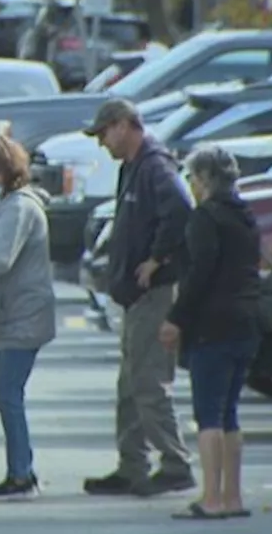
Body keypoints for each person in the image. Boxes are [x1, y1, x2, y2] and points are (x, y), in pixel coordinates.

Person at [82, 99, 196, 497]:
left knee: (149, 382)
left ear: (125, 126)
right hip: (136, 298)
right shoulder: (133, 167)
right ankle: (132, 465)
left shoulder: (155, 166)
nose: (102, 143)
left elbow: (182, 211)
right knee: (129, 385)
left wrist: (156, 258)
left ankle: (175, 463)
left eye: (104, 133)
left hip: (155, 294)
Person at [160, 147, 261, 520]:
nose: (190, 186)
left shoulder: (205, 218)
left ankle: (211, 498)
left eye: (192, 179)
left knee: (209, 415)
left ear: (203, 180)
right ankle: (232, 497)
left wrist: (176, 318)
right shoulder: (245, 215)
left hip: (212, 323)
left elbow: (200, 273)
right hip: (246, 319)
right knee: (230, 413)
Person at [0, 133, 56, 501]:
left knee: (8, 395)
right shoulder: (9, 202)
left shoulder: (17, 207)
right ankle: (21, 470)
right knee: (9, 394)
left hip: (23, 316)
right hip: (18, 314)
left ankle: (22, 474)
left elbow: (1, 261)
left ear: (1, 169)